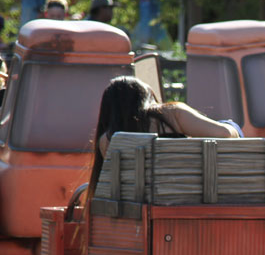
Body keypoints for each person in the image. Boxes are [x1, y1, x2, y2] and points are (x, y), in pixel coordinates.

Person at [89, 76, 242, 197]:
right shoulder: (170, 114)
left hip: (136, 208)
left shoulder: (107, 141)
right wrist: (231, 125)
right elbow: (225, 135)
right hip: (186, 198)